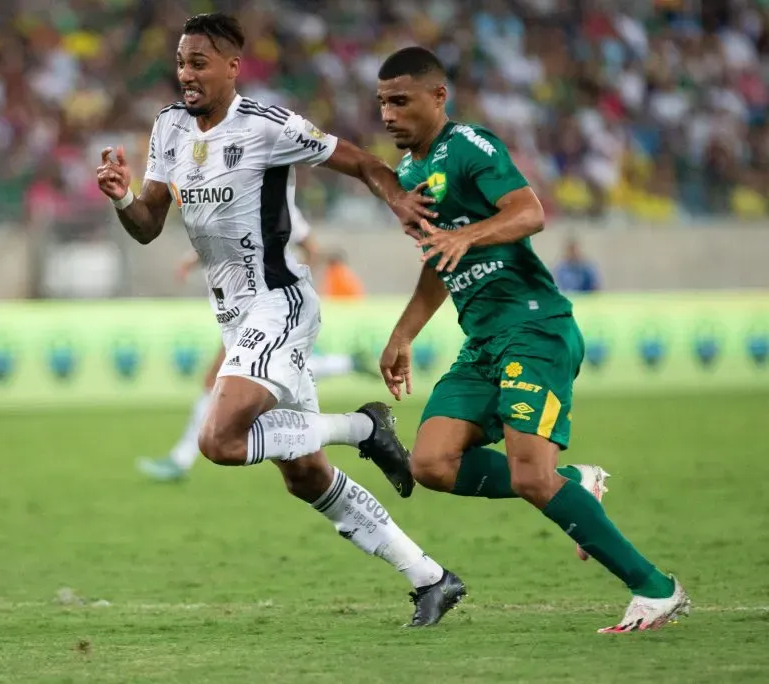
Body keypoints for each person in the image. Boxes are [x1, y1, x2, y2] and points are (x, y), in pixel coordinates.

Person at [97, 14, 464, 626]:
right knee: (306, 477)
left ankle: (362, 428)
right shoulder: (168, 127)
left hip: (280, 303)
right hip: (234, 317)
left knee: (219, 440)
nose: (186, 74)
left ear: (232, 68)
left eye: (198, 63)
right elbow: (148, 225)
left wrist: (398, 196)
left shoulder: (267, 126)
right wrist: (123, 197)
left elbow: (359, 161)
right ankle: (430, 577)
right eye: (181, 63)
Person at [373, 46, 689, 633]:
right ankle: (576, 484)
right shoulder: (411, 177)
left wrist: (469, 234)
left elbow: (529, 212)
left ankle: (655, 588)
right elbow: (440, 260)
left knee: (530, 477)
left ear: (438, 96)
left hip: (534, 329)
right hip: (482, 343)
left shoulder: (470, 146)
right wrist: (403, 333)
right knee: (431, 463)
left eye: (401, 100)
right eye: (382, 103)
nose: (388, 114)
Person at [138, 191, 377, 484]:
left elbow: (310, 249)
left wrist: (293, 282)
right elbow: (228, 242)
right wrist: (194, 259)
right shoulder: (239, 194)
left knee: (221, 381)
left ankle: (181, 458)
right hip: (240, 311)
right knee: (284, 381)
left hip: (268, 311)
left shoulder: (278, 201)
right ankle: (350, 374)